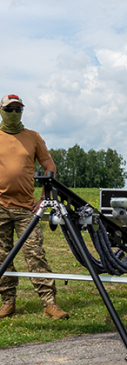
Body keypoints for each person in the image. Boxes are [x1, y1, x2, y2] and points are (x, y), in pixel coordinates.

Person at [0, 94, 69, 319]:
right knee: (2, 256)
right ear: (1, 110)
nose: (14, 114)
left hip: (26, 208)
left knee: (35, 253)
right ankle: (8, 302)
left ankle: (49, 303)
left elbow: (49, 165)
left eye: (18, 109)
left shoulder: (33, 137)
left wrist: (44, 195)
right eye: (9, 110)